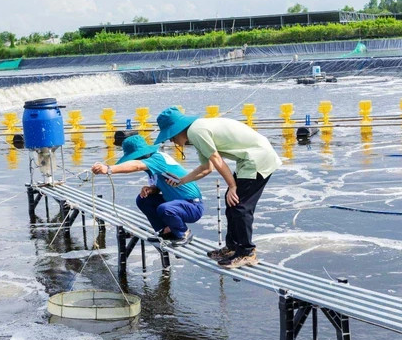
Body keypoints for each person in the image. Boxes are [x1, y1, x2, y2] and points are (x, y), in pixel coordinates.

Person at [154, 106, 281, 269]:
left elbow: (217, 159)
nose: (170, 140)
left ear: (177, 130)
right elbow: (207, 168)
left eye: (170, 136)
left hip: (257, 158)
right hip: (248, 159)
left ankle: (246, 252)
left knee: (240, 207)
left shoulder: (196, 132)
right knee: (233, 203)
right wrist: (182, 180)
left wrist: (232, 186)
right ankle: (233, 248)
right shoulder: (196, 132)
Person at [91, 134, 204, 247]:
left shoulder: (157, 158)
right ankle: (165, 231)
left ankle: (183, 233)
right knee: (143, 199)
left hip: (192, 206)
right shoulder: (152, 166)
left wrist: (109, 169)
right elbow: (165, 185)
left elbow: (137, 166)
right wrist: (152, 189)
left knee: (165, 208)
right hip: (176, 204)